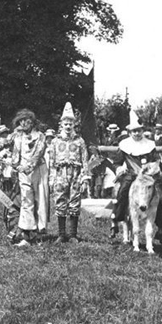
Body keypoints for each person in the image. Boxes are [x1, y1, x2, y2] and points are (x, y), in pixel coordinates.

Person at [0, 109, 48, 247]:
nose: (23, 123)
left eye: (26, 120)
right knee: (26, 201)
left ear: (32, 121)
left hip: (38, 170)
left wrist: (28, 167)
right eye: (20, 121)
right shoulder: (16, 135)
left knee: (40, 200)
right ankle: (26, 236)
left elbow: (38, 154)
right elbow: (4, 142)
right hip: (22, 171)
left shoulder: (40, 136)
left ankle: (40, 234)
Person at [109, 111, 160, 240]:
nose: (137, 134)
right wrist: (119, 168)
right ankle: (118, 216)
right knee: (123, 190)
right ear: (130, 133)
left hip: (148, 176)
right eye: (134, 131)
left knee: (159, 192)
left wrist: (155, 168)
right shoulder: (125, 145)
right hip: (131, 174)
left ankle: (160, 225)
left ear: (142, 131)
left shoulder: (149, 145)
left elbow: (156, 159)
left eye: (139, 131)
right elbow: (116, 162)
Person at [48, 103, 90, 243]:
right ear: (61, 124)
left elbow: (85, 161)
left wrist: (84, 178)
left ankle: (72, 234)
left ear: (74, 125)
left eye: (70, 124)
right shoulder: (54, 142)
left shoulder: (80, 141)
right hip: (60, 174)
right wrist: (52, 179)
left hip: (75, 174)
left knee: (74, 202)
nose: (68, 126)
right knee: (60, 201)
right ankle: (61, 234)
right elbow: (52, 162)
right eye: (65, 124)